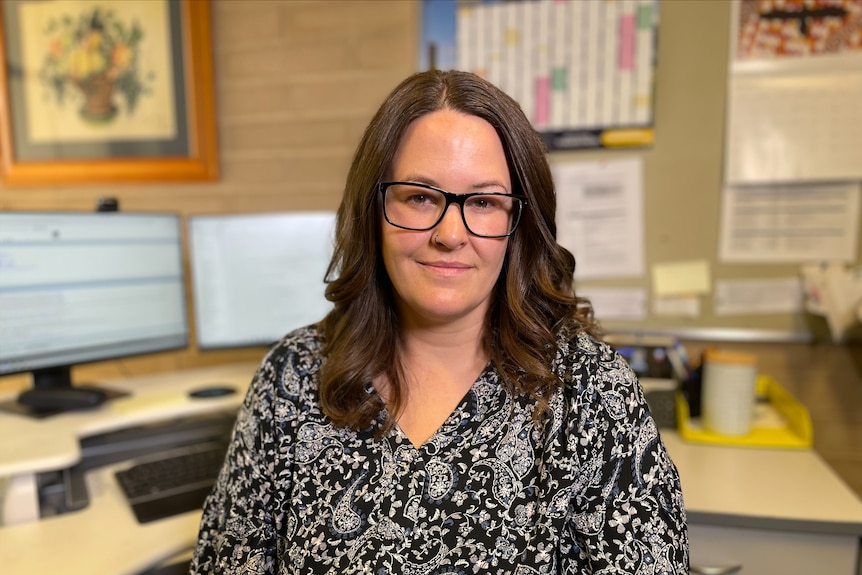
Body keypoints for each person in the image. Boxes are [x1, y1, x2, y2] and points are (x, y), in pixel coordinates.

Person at [191, 69, 688, 574]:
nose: (450, 234)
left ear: (518, 226)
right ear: (375, 211)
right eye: (421, 197)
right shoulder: (291, 378)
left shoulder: (592, 393)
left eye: (485, 202)